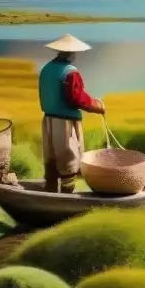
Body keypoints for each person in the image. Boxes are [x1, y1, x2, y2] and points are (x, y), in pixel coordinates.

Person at [38, 34, 104, 193]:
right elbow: (77, 98)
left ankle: (50, 190)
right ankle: (67, 195)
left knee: (51, 156)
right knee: (69, 158)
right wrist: (96, 106)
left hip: (48, 119)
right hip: (65, 122)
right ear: (71, 54)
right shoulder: (70, 72)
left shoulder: (46, 68)